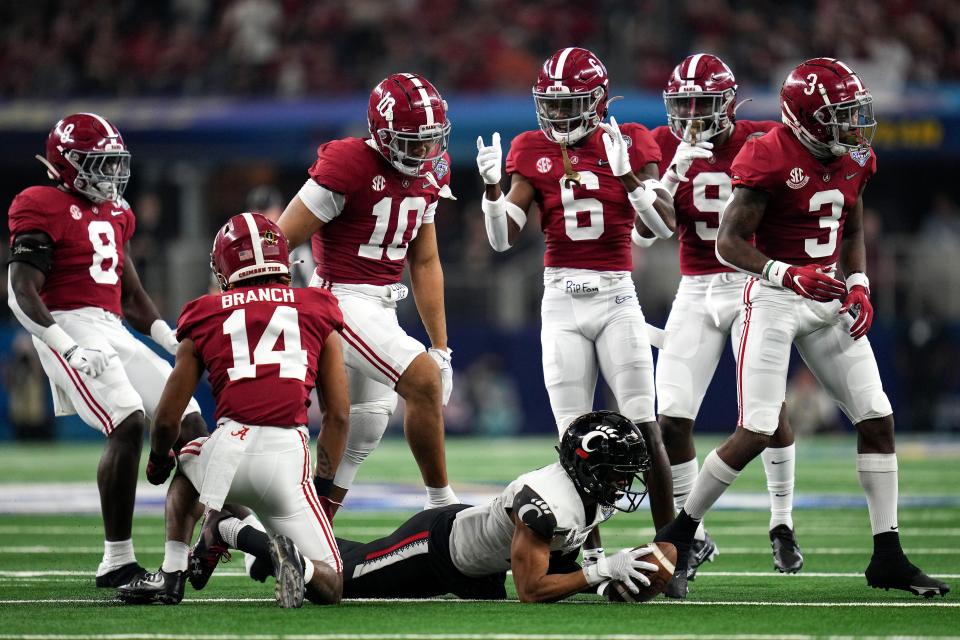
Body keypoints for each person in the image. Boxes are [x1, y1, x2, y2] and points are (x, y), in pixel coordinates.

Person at [655, 58, 950, 598]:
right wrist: (786, 273)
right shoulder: (768, 152)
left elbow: (852, 218)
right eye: (840, 114)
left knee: (877, 418)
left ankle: (888, 555)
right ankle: (679, 537)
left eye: (853, 112)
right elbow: (727, 242)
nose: (854, 125)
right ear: (808, 118)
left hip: (828, 295)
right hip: (773, 296)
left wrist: (858, 280)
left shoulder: (856, 155)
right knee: (756, 430)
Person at [475, 47, 677, 536]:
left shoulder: (630, 139)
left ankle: (673, 547)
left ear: (599, 99)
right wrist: (492, 190)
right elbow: (504, 239)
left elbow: (664, 225)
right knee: (572, 437)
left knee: (644, 424)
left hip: (615, 296)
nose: (560, 115)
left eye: (570, 104)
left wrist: (626, 173)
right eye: (552, 104)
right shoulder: (530, 147)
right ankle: (586, 551)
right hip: (560, 297)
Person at [6, 113, 207, 588]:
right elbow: (20, 292)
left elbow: (131, 294)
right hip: (66, 324)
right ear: (67, 164)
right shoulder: (40, 204)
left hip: (109, 324)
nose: (110, 175)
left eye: (114, 164)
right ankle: (116, 558)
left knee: (189, 417)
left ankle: (196, 547)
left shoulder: (116, 212)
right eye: (99, 164)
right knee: (128, 417)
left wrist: (170, 340)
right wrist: (66, 347)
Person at [117, 212, 348, 607]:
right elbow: (339, 415)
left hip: (228, 452)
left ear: (224, 269)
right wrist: (323, 487)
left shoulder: (205, 312)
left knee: (187, 462)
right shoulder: (318, 305)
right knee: (330, 584)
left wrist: (158, 460)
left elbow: (169, 417)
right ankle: (293, 562)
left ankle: (176, 570)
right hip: (288, 459)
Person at [647, 54, 801, 581]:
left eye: (703, 103)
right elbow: (650, 232)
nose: (692, 114)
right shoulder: (665, 146)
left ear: (731, 103)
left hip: (753, 284)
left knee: (764, 410)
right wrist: (672, 174)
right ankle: (696, 537)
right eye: (683, 104)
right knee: (671, 419)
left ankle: (781, 520)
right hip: (694, 287)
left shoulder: (764, 138)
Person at [276, 73, 457, 513]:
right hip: (340, 297)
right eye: (411, 140)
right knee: (421, 381)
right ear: (380, 132)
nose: (421, 151)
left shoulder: (434, 169)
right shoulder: (348, 162)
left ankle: (310, 531)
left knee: (367, 426)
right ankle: (442, 504)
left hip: (382, 302)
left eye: (429, 140)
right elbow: (280, 238)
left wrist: (441, 347)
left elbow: (426, 261)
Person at [336, 411, 662, 602]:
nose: (623, 483)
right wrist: (600, 572)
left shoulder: (595, 490)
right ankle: (297, 556)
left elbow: (580, 528)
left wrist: (597, 564)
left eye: (627, 474)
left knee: (356, 561)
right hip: (436, 549)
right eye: (617, 473)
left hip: (486, 565)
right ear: (587, 467)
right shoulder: (544, 503)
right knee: (338, 582)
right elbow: (531, 590)